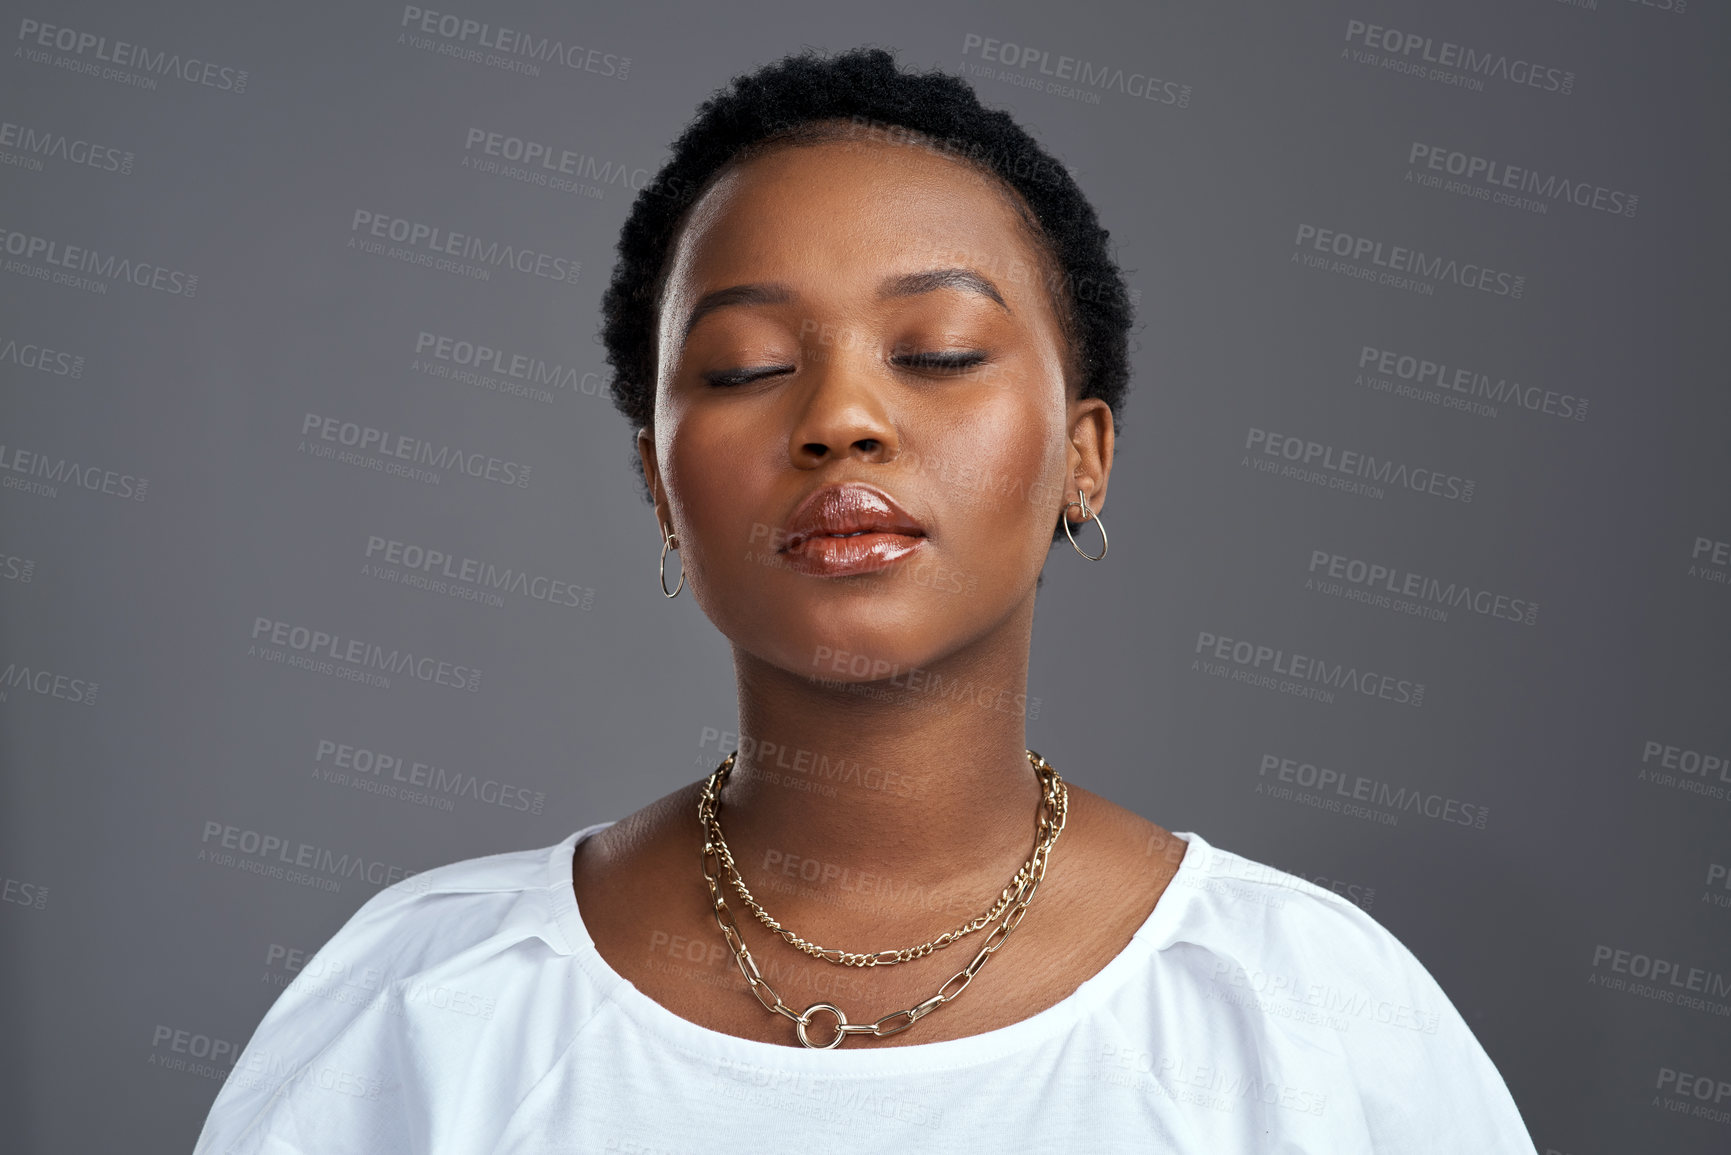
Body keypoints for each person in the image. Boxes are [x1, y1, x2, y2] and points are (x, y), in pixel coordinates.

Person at [193, 46, 1539, 1153]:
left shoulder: (1308, 1025)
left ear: (1085, 455)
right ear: (659, 485)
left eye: (937, 352)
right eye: (741, 368)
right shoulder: (431, 1013)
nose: (841, 419)